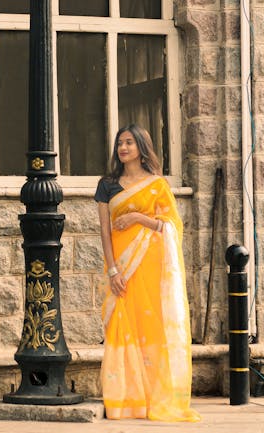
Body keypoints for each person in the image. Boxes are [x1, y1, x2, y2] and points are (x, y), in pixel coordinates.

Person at [95, 124, 200, 422]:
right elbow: (104, 232)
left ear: (142, 146)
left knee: (151, 328)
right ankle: (126, 400)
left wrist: (138, 217)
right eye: (120, 143)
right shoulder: (107, 185)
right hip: (122, 269)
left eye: (129, 142)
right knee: (120, 324)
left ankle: (155, 396)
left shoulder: (157, 185)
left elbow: (171, 227)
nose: (123, 148)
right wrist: (113, 269)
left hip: (151, 267)